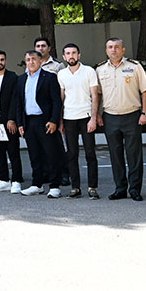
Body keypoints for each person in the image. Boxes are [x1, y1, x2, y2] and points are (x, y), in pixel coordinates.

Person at [96, 37, 146, 201]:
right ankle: (120, 188)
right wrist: (96, 114)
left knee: (134, 155)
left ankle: (135, 189)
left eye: (117, 47)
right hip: (110, 116)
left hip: (132, 115)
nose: (113, 50)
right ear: (106, 50)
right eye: (110, 47)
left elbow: (145, 91)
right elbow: (97, 94)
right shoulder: (100, 69)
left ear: (123, 50)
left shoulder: (134, 66)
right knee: (115, 154)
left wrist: (145, 113)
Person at [16, 51, 64, 198]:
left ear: (40, 61)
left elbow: (56, 101)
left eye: (34, 59)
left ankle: (55, 186)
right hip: (29, 121)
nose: (31, 62)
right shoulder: (21, 79)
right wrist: (20, 123)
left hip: (45, 120)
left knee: (51, 153)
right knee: (34, 154)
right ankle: (37, 184)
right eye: (28, 59)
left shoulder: (49, 77)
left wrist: (54, 120)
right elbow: (19, 103)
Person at [58, 43, 100, 199]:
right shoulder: (61, 74)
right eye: (68, 53)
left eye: (74, 52)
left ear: (79, 55)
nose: (71, 56)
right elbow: (61, 98)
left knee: (90, 153)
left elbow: (95, 96)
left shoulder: (89, 71)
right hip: (69, 117)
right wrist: (60, 121)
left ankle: (92, 187)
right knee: (72, 154)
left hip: (86, 116)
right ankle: (75, 188)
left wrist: (93, 118)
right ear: (64, 57)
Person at [0, 50, 23, 194]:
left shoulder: (13, 77)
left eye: (2, 59)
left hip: (9, 121)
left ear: (5, 61)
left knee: (13, 151)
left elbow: (15, 99)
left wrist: (12, 119)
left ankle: (16, 181)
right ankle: (4, 180)